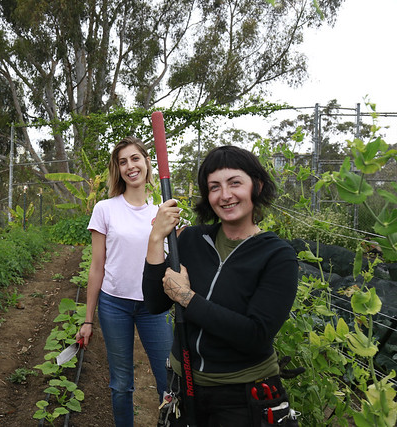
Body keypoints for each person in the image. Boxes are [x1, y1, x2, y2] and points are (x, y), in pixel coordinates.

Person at [143, 145, 298, 426]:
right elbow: (155, 303)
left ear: (257, 186)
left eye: (234, 183)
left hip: (242, 395)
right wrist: (156, 238)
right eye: (214, 187)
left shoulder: (277, 256)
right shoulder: (191, 239)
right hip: (183, 385)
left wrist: (188, 298)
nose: (225, 195)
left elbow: (255, 334)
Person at [75, 136, 173, 426]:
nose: (130, 166)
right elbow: (97, 266)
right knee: (120, 384)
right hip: (114, 304)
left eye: (135, 158)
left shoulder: (161, 213)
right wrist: (88, 319)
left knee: (167, 382)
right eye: (122, 162)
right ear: (117, 170)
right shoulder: (105, 209)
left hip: (154, 306)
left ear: (146, 163)